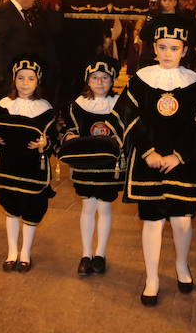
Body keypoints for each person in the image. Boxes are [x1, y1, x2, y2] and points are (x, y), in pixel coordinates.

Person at [114, 23, 196, 307]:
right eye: (162, 48)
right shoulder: (142, 79)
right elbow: (129, 115)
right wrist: (147, 152)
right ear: (154, 49)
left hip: (182, 162)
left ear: (184, 51)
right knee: (153, 221)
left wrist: (178, 155)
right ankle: (152, 278)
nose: (167, 53)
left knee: (182, 219)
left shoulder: (195, 83)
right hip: (150, 160)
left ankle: (182, 266)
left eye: (174, 48)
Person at [0, 56, 56, 273]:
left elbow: (53, 137)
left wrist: (45, 142)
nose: (25, 83)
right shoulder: (3, 105)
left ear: (37, 81)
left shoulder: (45, 109)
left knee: (32, 208)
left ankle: (25, 252)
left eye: (30, 79)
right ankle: (12, 251)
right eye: (20, 78)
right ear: (14, 80)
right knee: (10, 206)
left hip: (33, 168)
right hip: (7, 166)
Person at [58, 57, 124, 276]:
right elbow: (68, 128)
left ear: (112, 80)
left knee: (104, 207)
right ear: (87, 80)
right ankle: (85, 254)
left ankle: (100, 254)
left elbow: (126, 130)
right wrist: (70, 136)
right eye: (94, 78)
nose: (99, 82)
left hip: (108, 165)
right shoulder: (78, 104)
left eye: (105, 78)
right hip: (85, 163)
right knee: (88, 207)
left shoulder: (119, 105)